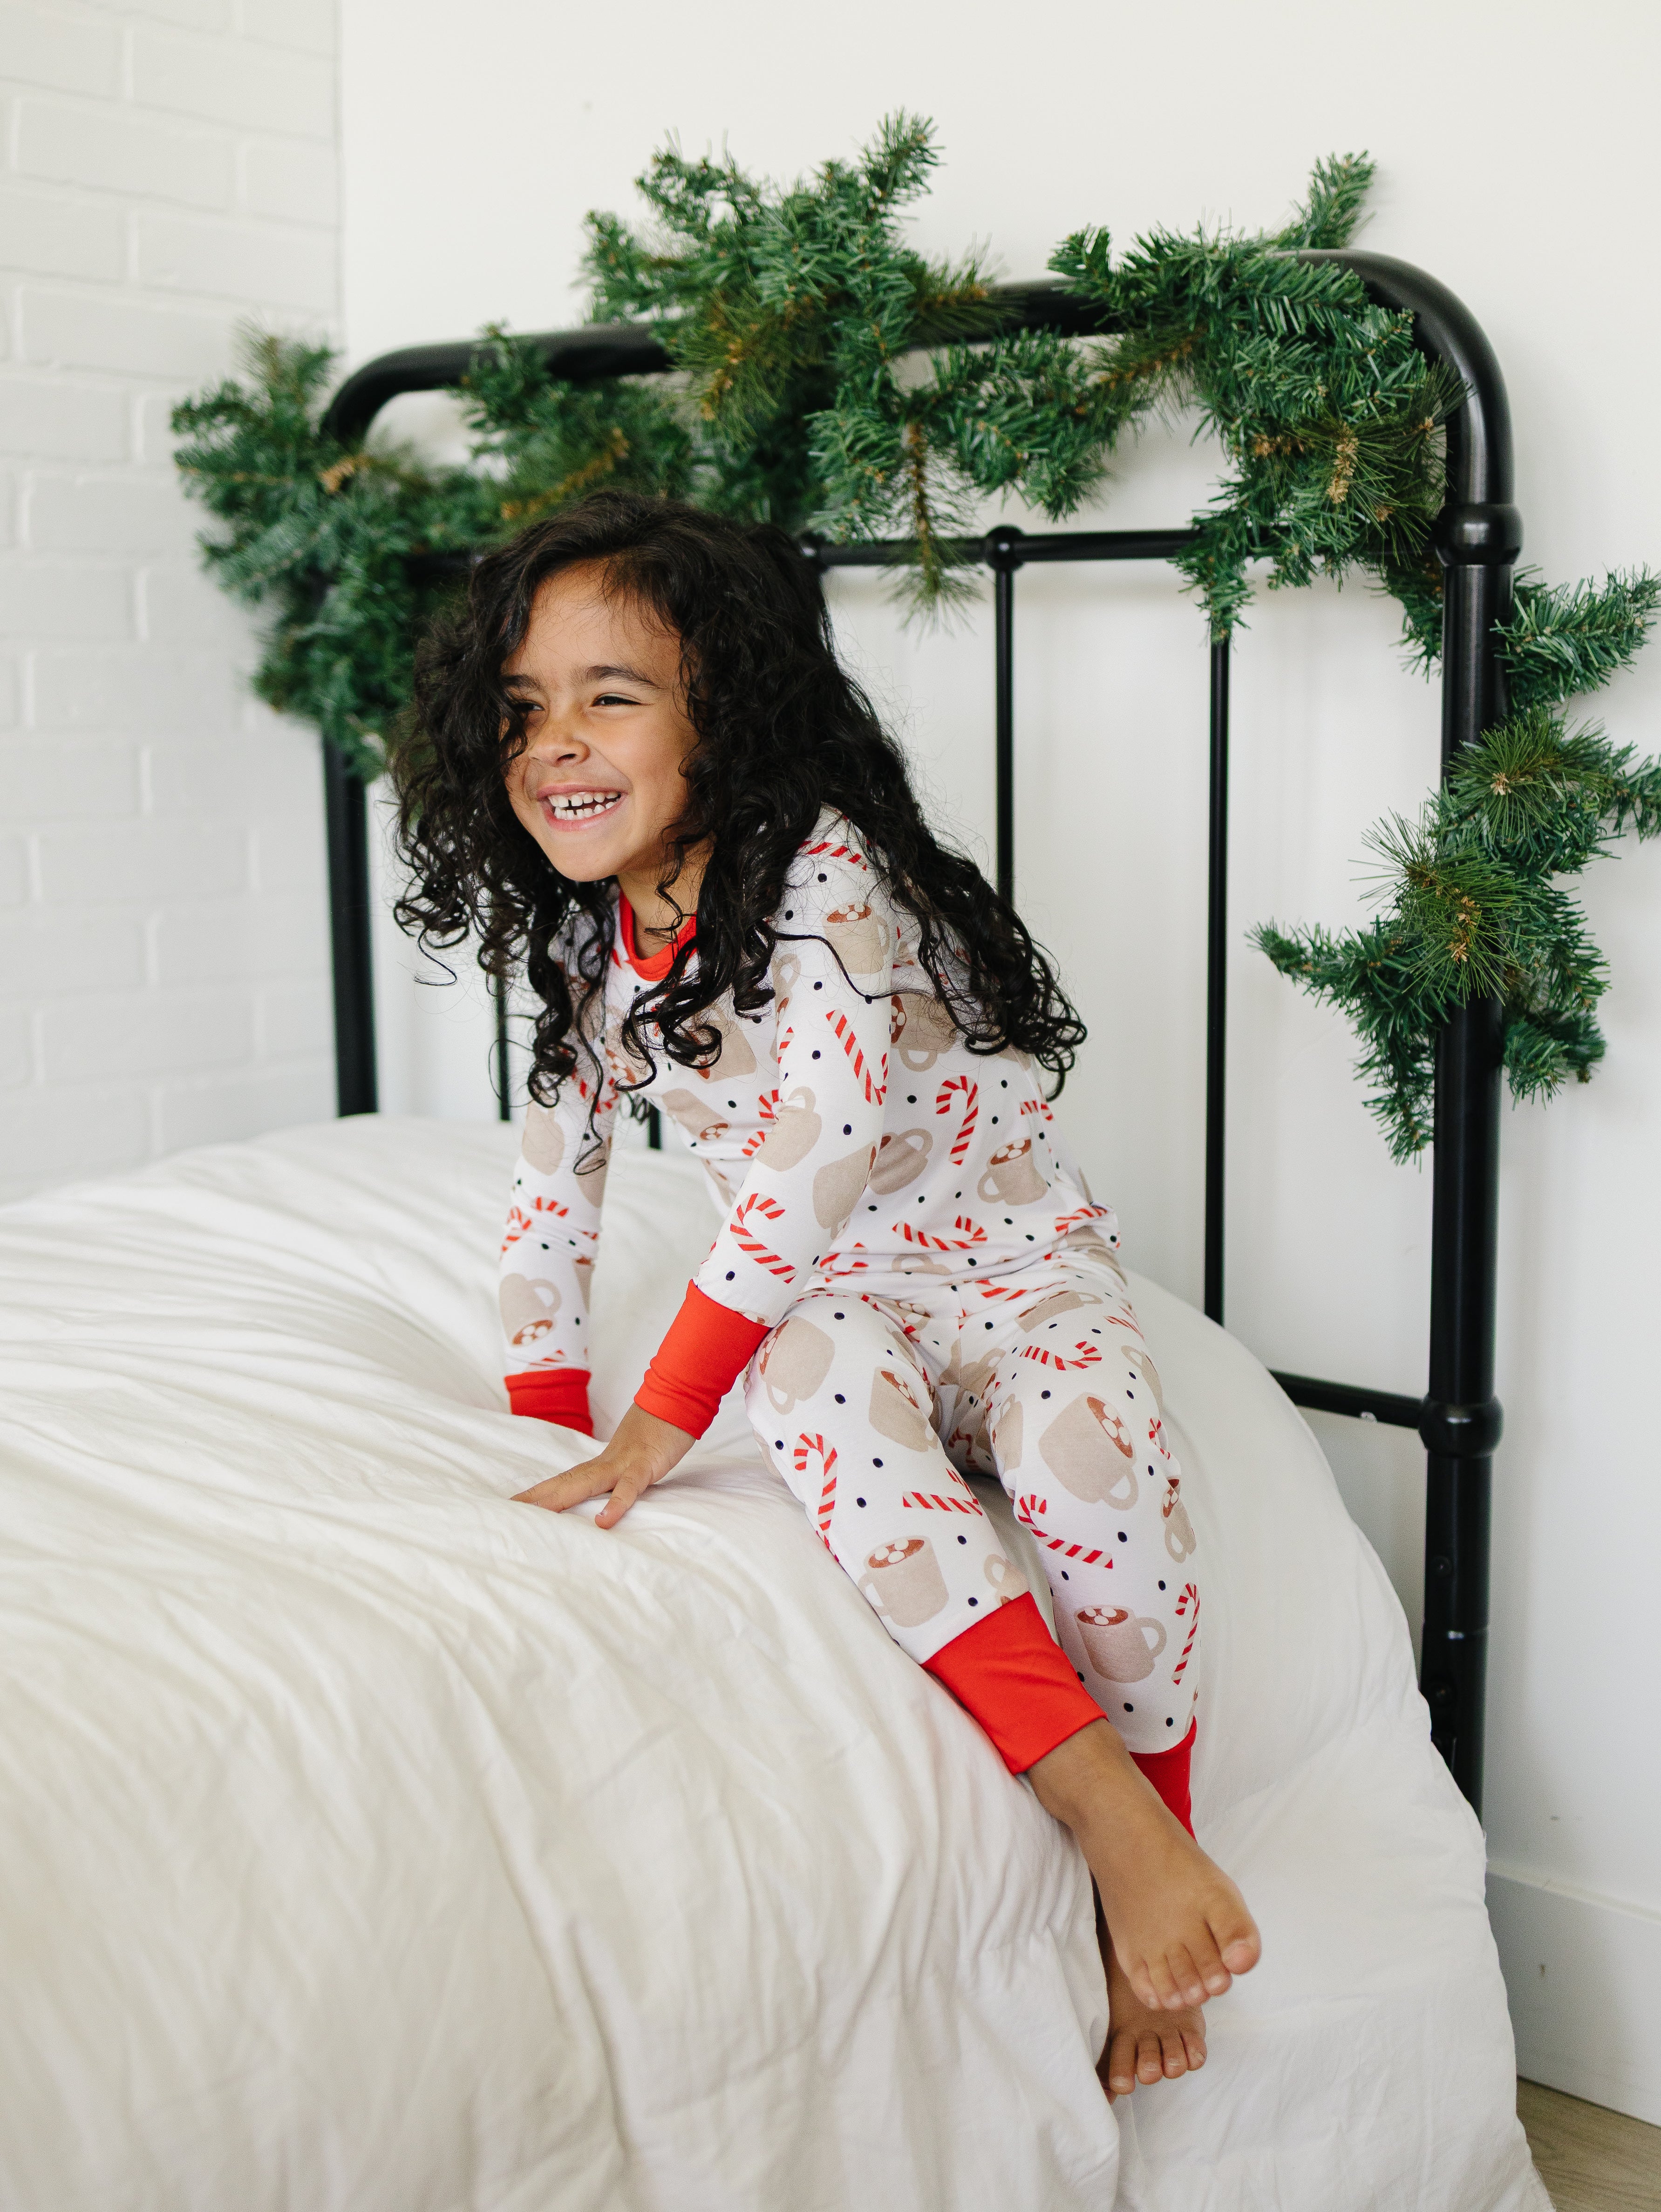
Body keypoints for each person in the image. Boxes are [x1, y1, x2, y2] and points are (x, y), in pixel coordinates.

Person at [394, 491, 1260, 2100]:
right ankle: (1103, 1809)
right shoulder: (587, 946)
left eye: (610, 696)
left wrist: (660, 1420)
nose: (553, 743)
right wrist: (545, 1421)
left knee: (1099, 1482)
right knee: (805, 1390)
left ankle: (1159, 1841)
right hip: (839, 1301)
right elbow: (553, 1188)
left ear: (726, 715)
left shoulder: (823, 876)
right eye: (520, 709)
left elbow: (816, 1151)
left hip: (1016, 1270)